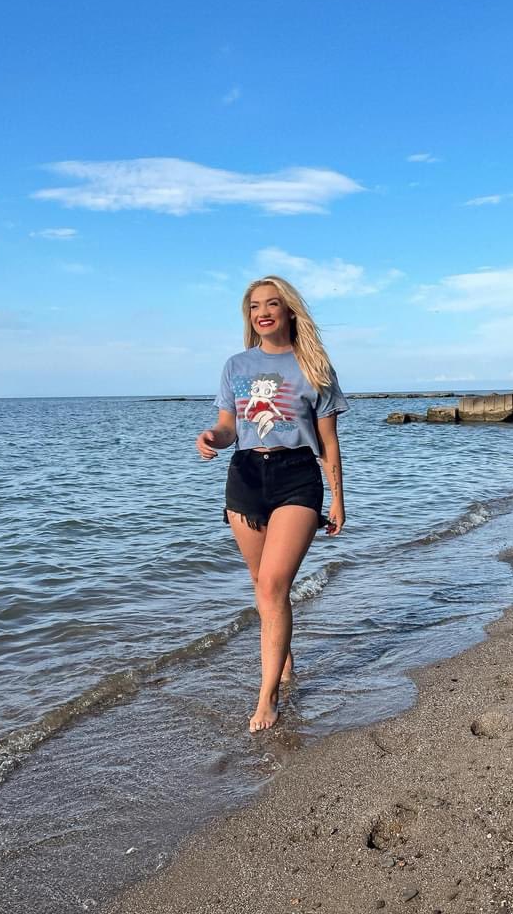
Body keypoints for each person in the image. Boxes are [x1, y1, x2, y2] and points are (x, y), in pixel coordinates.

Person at [195, 276, 348, 733]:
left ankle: (268, 697)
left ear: (289, 311)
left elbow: (328, 441)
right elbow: (228, 427)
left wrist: (338, 498)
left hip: (297, 476)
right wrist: (212, 439)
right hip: (245, 476)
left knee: (273, 585)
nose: (263, 312)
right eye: (255, 306)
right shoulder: (236, 365)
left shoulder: (313, 366)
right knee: (262, 585)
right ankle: (283, 659)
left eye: (272, 304)